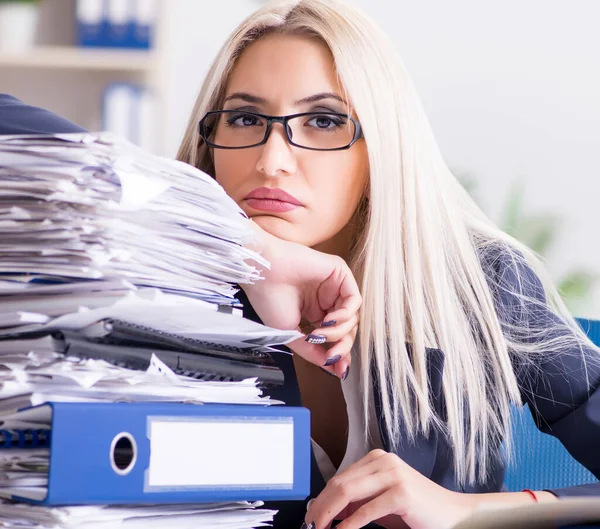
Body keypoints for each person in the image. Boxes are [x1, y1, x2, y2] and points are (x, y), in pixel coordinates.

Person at [174, 1, 600, 528]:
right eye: (243, 118)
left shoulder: (478, 282)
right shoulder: (165, 284)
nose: (271, 160)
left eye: (324, 120)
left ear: (384, 145)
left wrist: (470, 513)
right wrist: (241, 247)